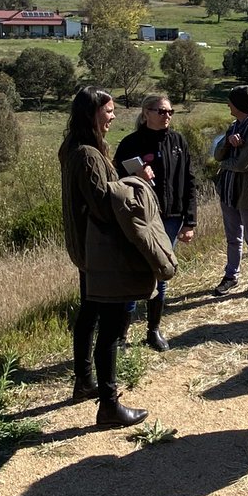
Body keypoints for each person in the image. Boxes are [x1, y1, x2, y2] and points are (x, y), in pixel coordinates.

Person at [59, 86, 177, 428]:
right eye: (108, 111)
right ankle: (108, 406)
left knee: (89, 313)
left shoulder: (73, 148)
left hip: (86, 249)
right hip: (102, 253)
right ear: (94, 113)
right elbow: (103, 205)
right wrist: (134, 181)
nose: (113, 116)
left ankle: (83, 382)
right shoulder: (88, 155)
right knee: (110, 327)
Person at [114, 94, 197, 351]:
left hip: (171, 218)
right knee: (136, 272)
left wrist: (190, 221)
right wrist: (135, 174)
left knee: (161, 273)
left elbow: (190, 181)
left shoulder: (178, 142)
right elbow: (116, 182)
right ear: (146, 113)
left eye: (170, 112)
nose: (167, 116)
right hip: (140, 220)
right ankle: (121, 337)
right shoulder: (130, 143)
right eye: (161, 111)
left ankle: (153, 330)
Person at [213, 85, 248, 300]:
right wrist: (228, 143)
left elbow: (242, 165)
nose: (227, 104)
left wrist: (227, 163)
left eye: (230, 101)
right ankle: (231, 276)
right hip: (228, 192)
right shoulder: (234, 126)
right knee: (232, 239)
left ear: (238, 104)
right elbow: (218, 155)